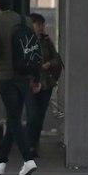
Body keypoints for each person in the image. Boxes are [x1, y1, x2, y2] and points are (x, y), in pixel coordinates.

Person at [0, 0, 34, 175]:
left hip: (7, 76)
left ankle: (28, 159)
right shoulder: (25, 21)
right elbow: (32, 47)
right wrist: (35, 76)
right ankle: (1, 161)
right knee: (13, 119)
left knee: (13, 119)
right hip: (25, 76)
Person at [24, 13, 64, 164]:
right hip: (30, 83)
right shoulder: (24, 41)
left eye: (42, 24)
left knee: (39, 116)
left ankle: (33, 146)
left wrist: (48, 64)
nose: (41, 27)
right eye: (38, 24)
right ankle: (28, 146)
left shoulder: (46, 41)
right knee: (32, 115)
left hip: (46, 83)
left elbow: (56, 58)